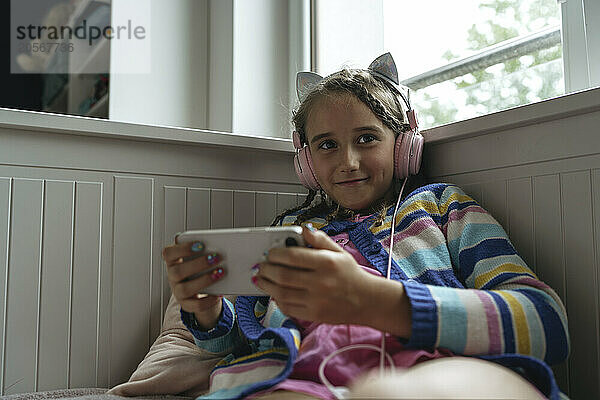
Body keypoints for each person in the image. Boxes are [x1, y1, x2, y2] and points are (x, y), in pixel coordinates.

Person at [161, 53, 570, 400]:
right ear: (306, 162)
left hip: (435, 370)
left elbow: (546, 323)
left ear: (404, 143)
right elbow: (241, 341)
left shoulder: (443, 208)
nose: (348, 162)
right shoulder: (291, 229)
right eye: (326, 145)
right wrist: (208, 312)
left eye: (367, 139)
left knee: (384, 393)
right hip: (301, 379)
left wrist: (370, 298)